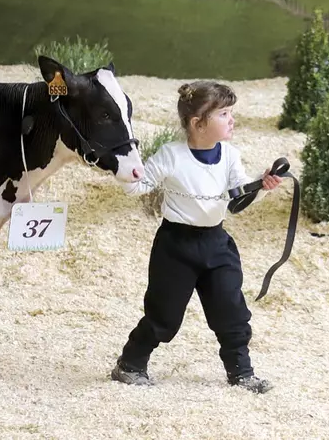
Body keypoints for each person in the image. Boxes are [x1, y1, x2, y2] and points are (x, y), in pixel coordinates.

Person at [110, 81, 282, 394]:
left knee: (231, 310)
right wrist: (125, 167)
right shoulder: (171, 155)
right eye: (224, 114)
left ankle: (241, 373)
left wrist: (261, 184)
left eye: (231, 113)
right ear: (197, 123)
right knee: (164, 316)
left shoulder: (230, 154)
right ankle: (130, 364)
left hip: (217, 244)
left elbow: (236, 199)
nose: (232, 119)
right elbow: (137, 187)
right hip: (176, 246)